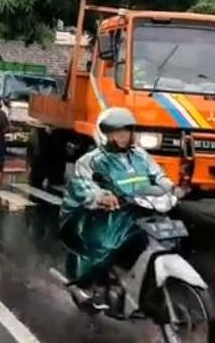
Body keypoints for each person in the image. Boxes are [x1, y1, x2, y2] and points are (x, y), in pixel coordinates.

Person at [60, 107, 178, 309]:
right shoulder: (91, 160)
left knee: (170, 237)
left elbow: (159, 176)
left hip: (140, 210)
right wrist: (101, 196)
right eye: (117, 132)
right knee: (107, 246)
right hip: (105, 215)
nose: (122, 136)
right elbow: (83, 185)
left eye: (126, 131)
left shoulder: (141, 155)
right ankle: (88, 285)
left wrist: (169, 188)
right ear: (105, 134)